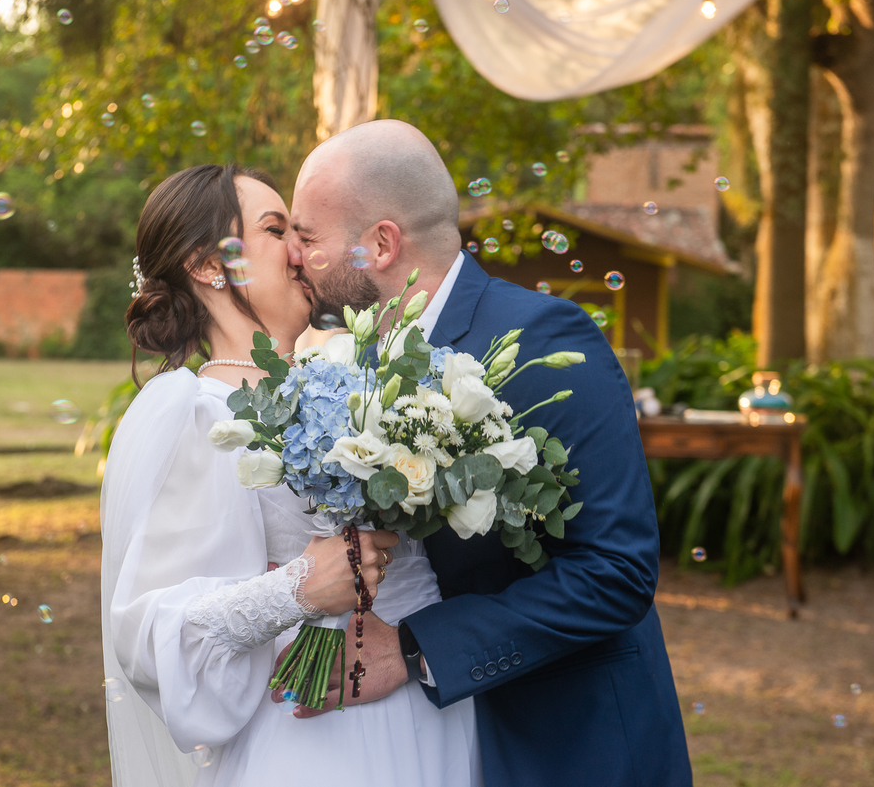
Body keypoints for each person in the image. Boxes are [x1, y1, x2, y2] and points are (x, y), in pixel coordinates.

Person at [283, 120, 693, 786]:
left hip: (564, 745)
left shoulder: (539, 339)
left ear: (380, 244)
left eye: (307, 235)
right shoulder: (353, 361)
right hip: (424, 748)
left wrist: (416, 649)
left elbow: (616, 570)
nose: (294, 255)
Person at [100, 163, 481, 787]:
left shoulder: (353, 384)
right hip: (316, 739)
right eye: (276, 230)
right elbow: (150, 633)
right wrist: (299, 590)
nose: (301, 251)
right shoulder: (197, 413)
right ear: (208, 264)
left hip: (432, 717)